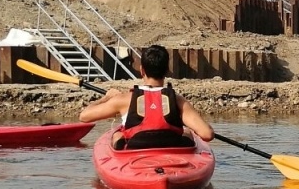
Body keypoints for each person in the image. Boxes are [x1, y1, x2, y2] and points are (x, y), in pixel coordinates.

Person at [79, 44, 213, 149]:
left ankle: (121, 147)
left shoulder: (124, 99)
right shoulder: (178, 100)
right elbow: (207, 135)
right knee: (187, 132)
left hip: (136, 147)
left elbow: (84, 116)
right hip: (172, 148)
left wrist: (106, 98)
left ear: (142, 70)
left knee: (118, 134)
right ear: (166, 70)